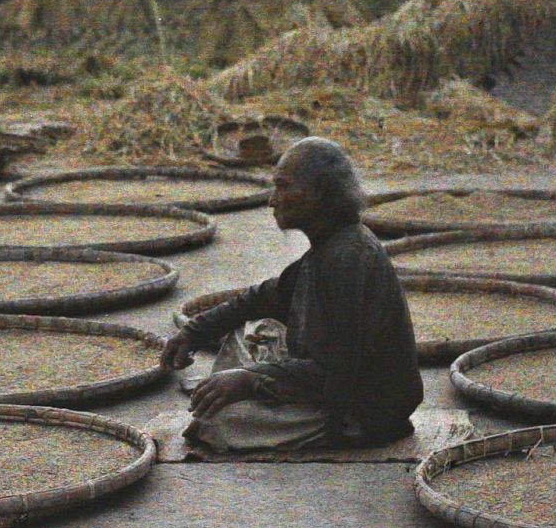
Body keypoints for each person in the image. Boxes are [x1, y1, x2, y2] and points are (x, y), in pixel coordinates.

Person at [158, 137, 422, 454]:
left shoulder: (347, 259)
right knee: (246, 334)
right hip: (326, 377)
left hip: (364, 409)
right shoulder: (330, 244)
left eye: (283, 187)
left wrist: (249, 380)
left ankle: (330, 430)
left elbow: (335, 377)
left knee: (219, 424)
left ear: (319, 195)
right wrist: (198, 329)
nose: (272, 200)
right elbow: (266, 295)